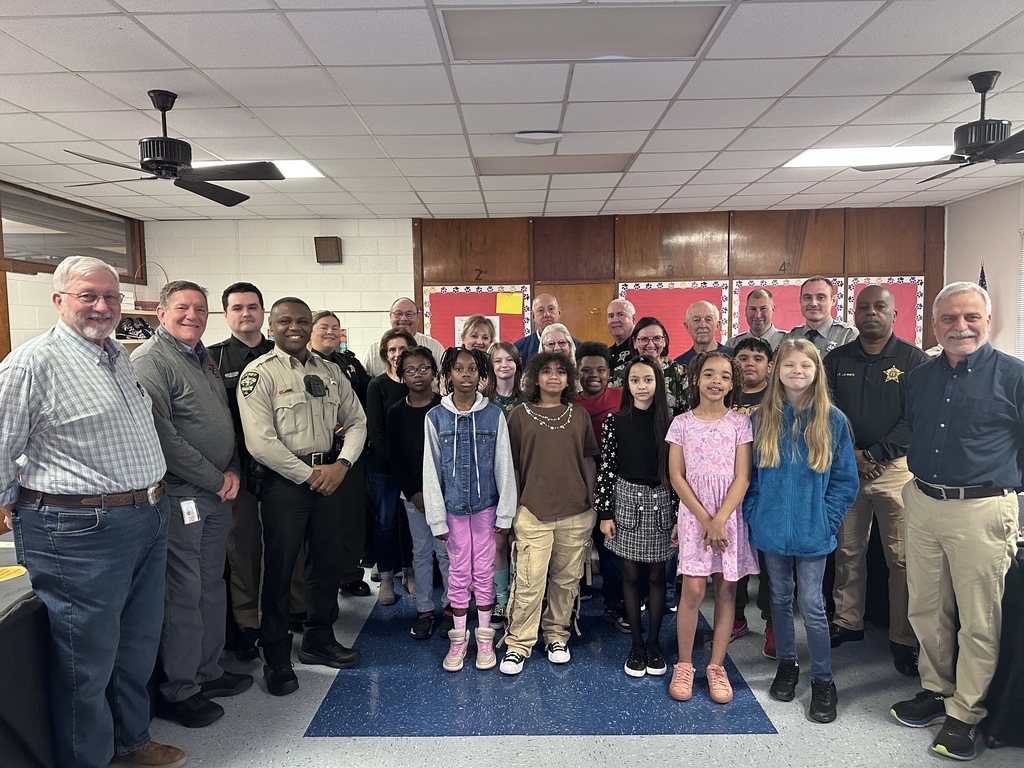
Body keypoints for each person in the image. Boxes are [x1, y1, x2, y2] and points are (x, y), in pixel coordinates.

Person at [0, 256, 183, 768]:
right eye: (88, 296)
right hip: (76, 530)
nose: (102, 306)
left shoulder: (115, 356)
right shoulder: (31, 364)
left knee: (136, 646)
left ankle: (131, 741)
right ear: (59, 300)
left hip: (146, 516)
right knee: (87, 662)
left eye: (110, 296)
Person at [891, 282, 1024, 762]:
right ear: (934, 324)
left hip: (982, 510)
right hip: (923, 502)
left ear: (989, 321)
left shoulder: (1014, 377)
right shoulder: (920, 378)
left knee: (978, 618)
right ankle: (936, 689)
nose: (960, 327)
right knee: (926, 608)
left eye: (971, 317)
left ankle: (965, 713)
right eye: (949, 318)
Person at [133, 280, 251, 729]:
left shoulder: (202, 358)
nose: (192, 315)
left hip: (218, 493)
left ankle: (207, 672)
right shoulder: (150, 361)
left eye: (200, 309)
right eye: (182, 308)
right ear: (160, 314)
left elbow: (223, 423)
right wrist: (214, 477)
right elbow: (162, 435)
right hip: (184, 495)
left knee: (210, 583)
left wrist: (234, 469)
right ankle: (179, 689)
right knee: (183, 593)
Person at [237, 297, 366, 696]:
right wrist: (309, 475)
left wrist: (341, 466)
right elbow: (260, 442)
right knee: (279, 569)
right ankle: (275, 653)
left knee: (326, 564)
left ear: (311, 326)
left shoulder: (331, 371)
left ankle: (318, 639)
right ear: (271, 326)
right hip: (284, 483)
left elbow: (358, 421)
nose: (295, 327)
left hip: (329, 477)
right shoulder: (258, 374)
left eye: (302, 321)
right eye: (285, 321)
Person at [744, 339, 858, 724]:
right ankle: (788, 664)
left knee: (811, 605)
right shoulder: (761, 418)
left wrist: (827, 519)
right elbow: (750, 477)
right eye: (790, 365)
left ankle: (823, 678)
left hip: (813, 532)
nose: (797, 372)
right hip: (772, 529)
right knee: (778, 597)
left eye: (805, 366)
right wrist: (754, 513)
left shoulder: (834, 421)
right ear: (777, 370)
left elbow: (845, 481)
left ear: (816, 372)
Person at [824, 285, 929, 677]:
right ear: (853, 313)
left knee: (901, 558)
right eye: (863, 307)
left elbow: (916, 418)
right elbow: (827, 412)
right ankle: (848, 621)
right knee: (847, 550)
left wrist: (875, 454)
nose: (870, 313)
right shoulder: (836, 360)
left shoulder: (914, 360)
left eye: (879, 306)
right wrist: (852, 455)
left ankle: (903, 638)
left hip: (896, 470)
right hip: (847, 467)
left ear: (894, 313)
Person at [666, 352, 756, 705]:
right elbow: (677, 475)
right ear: (696, 380)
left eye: (723, 376)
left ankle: (716, 666)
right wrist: (705, 519)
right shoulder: (681, 424)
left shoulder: (739, 423)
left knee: (726, 591)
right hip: (694, 517)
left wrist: (720, 519)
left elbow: (743, 475)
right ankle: (685, 663)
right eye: (708, 374)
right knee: (691, 591)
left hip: (729, 516)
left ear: (732, 384)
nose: (715, 381)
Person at [500, 352, 598, 675]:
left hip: (575, 511)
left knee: (567, 580)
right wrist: (513, 509)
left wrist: (592, 500)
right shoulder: (519, 415)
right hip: (532, 510)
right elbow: (512, 466)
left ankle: (556, 634)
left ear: (569, 378)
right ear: (535, 378)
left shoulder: (579, 416)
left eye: (560, 371)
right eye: (546, 372)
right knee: (529, 579)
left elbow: (587, 460)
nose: (553, 377)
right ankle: (518, 643)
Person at [424, 348, 517, 672]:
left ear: (482, 376)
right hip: (453, 511)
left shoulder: (494, 416)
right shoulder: (435, 417)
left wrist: (505, 513)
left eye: (472, 369)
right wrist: (436, 517)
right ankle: (459, 638)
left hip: (486, 509)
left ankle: (485, 637)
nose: (466, 374)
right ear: (448, 375)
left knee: (485, 572)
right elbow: (431, 468)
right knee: (459, 574)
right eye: (459, 369)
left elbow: (504, 465)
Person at [208, 283, 278, 661]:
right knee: (243, 549)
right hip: (237, 471)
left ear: (263, 311)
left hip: (282, 469)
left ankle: (284, 614)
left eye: (253, 306)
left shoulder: (281, 354)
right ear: (227, 315)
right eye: (237, 308)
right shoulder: (212, 360)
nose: (246, 313)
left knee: (286, 547)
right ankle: (248, 622)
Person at [596, 355, 675, 678]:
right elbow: (607, 468)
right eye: (635, 380)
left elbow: (679, 474)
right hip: (626, 500)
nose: (642, 386)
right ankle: (636, 644)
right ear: (626, 385)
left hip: (662, 502)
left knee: (657, 577)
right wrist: (604, 512)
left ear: (658, 384)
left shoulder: (672, 422)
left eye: (648, 380)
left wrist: (681, 518)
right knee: (630, 576)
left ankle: (654, 643)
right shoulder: (615, 422)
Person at [387, 347, 451, 640]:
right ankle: (425, 609)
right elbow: (396, 457)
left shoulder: (446, 408)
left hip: (447, 495)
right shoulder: (396, 412)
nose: (417, 375)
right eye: (410, 370)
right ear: (401, 376)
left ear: (434, 373)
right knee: (421, 553)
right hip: (413, 497)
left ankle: (452, 607)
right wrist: (413, 492)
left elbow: (452, 455)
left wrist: (441, 493)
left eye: (423, 368)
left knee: (447, 553)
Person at [309, 310, 372, 597]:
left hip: (348, 452)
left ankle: (349, 573)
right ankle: (318, 581)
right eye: (324, 327)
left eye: (335, 327)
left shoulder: (349, 364)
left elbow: (365, 402)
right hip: (314, 455)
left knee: (351, 515)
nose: (331, 332)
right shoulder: (300, 364)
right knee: (316, 522)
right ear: (311, 331)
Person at [729, 336, 775, 654]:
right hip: (730, 489)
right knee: (734, 560)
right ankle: (735, 617)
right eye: (743, 357)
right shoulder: (723, 396)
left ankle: (773, 624)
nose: (749, 363)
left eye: (757, 358)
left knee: (771, 563)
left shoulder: (778, 399)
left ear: (770, 366)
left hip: (767, 488)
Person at [365, 328, 416, 605]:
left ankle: (409, 573)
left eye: (402, 349)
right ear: (385, 355)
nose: (397, 354)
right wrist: (396, 464)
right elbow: (376, 430)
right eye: (392, 350)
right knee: (385, 522)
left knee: (410, 523)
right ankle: (386, 578)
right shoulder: (377, 385)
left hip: (413, 468)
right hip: (383, 468)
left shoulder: (417, 382)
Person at [575, 341, 623, 608]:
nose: (594, 375)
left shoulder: (621, 397)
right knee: (575, 546)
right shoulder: (569, 401)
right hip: (576, 484)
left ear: (609, 372)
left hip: (614, 485)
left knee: (610, 548)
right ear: (577, 372)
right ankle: (576, 595)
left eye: (600, 370)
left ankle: (614, 603)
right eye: (586, 370)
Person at [484, 340, 525, 623]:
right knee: (498, 540)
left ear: (517, 364)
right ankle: (500, 598)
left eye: (508, 359)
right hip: (491, 478)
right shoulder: (482, 401)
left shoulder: (529, 399)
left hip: (523, 474)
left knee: (519, 539)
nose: (503, 365)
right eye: (497, 360)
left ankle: (519, 597)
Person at [613, 316, 690, 416]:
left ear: (664, 341)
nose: (650, 345)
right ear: (635, 342)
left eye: (657, 338)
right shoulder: (619, 374)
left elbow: (688, 412)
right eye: (644, 339)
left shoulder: (680, 372)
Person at [361, 297, 444, 377]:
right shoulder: (374, 351)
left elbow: (445, 379)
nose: (403, 319)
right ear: (390, 316)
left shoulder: (434, 347)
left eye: (409, 314)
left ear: (418, 317)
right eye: (398, 314)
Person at [783, 276, 859, 355]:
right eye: (807, 297)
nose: (813, 303)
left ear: (833, 300)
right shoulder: (790, 337)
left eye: (820, 297)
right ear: (800, 301)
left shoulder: (848, 336)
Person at [514, 293, 580, 363]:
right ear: (533, 316)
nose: (547, 315)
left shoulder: (577, 347)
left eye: (551, 309)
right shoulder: (520, 348)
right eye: (541, 310)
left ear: (559, 312)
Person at [674, 301, 734, 368]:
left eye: (708, 320)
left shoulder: (733, 357)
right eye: (696, 320)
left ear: (717, 325)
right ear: (687, 327)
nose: (702, 325)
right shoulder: (679, 364)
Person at [606, 298, 637, 371]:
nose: (615, 320)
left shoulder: (641, 349)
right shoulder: (606, 354)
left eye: (621, 315)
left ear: (633, 319)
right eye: (611, 316)